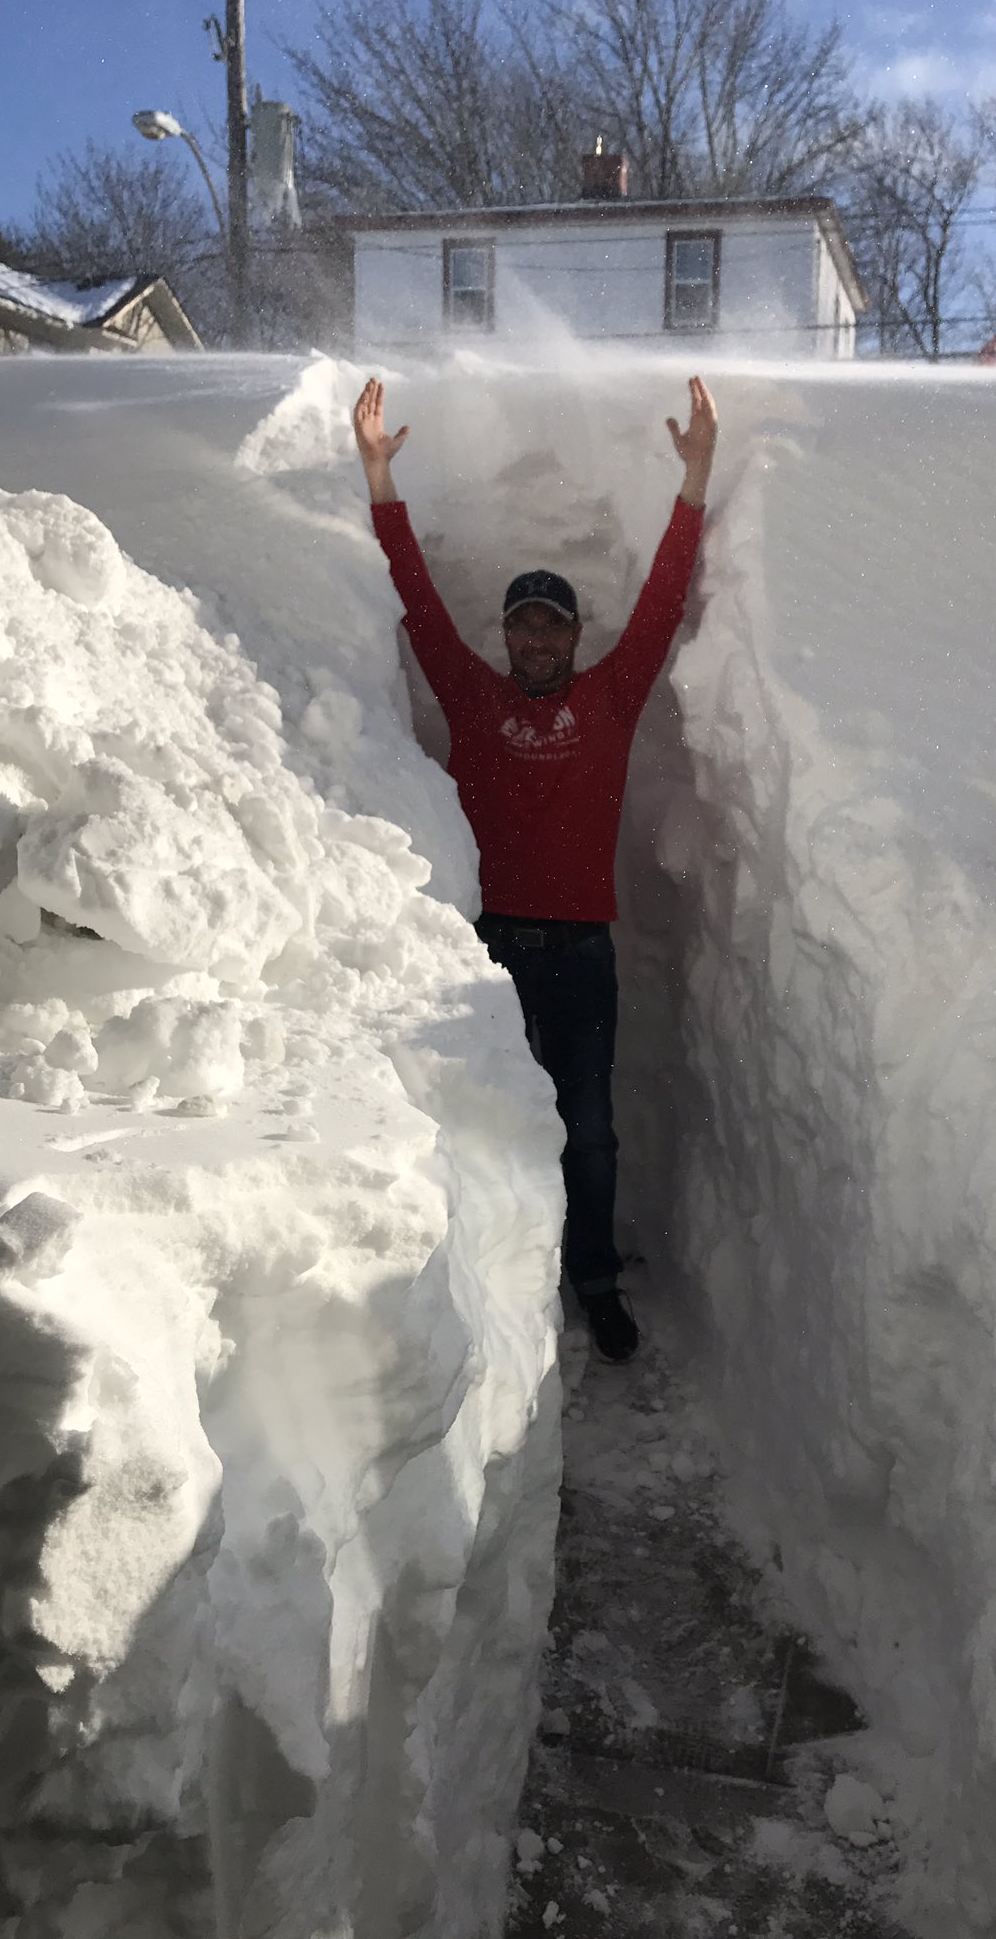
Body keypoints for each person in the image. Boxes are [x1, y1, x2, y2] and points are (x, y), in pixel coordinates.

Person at [353, 374, 718, 1363]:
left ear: (573, 636)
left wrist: (695, 481)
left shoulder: (608, 699)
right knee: (490, 1121)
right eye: (522, 623)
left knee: (588, 1129)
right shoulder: (473, 699)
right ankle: (495, 1276)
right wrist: (381, 479)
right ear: (507, 635)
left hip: (583, 951)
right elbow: (419, 604)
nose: (537, 637)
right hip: (490, 947)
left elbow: (662, 604)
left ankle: (592, 1279)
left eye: (552, 623)